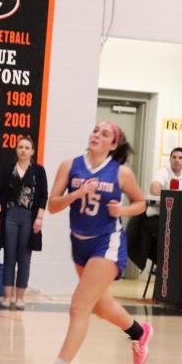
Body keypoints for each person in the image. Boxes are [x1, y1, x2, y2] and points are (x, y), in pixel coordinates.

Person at [47, 121, 152, 364]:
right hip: (79, 243)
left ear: (113, 144)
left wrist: (123, 210)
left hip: (107, 242)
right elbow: (52, 205)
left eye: (104, 134)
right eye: (95, 130)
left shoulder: (120, 172)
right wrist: (76, 194)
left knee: (78, 307)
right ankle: (139, 332)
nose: (96, 135)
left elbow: (141, 203)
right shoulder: (70, 165)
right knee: (102, 307)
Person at [0, 136, 48, 309]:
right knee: (9, 256)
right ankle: (7, 297)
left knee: (24, 257)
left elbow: (43, 195)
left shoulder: (38, 171)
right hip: (10, 216)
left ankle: (20, 298)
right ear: (16, 150)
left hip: (29, 217)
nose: (23, 150)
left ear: (32, 151)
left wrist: (39, 218)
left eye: (27, 147)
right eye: (20, 147)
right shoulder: (9, 169)